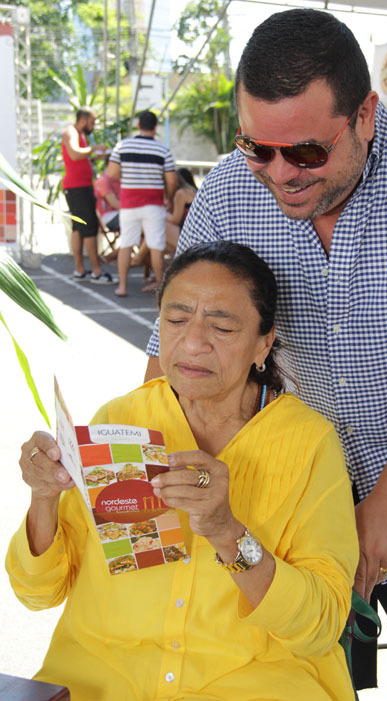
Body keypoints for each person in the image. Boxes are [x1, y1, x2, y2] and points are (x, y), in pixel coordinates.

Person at [144, 10, 387, 701]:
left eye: (307, 153)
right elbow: (173, 349)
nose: (279, 173)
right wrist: (141, 464)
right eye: (258, 148)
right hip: (280, 497)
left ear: (365, 115)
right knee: (303, 674)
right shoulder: (231, 188)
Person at [6, 242, 358, 701]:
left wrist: (228, 533)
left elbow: (321, 625)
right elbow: (36, 593)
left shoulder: (309, 443)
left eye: (223, 326)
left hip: (254, 686)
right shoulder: (120, 422)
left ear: (263, 343)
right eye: (176, 320)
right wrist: (44, 497)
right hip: (104, 681)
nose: (193, 342)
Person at [108, 110, 177, 297]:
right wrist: (169, 198)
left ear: (138, 126)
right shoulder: (163, 150)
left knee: (126, 243)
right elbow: (171, 180)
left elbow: (112, 173)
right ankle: (160, 286)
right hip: (154, 204)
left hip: (129, 203)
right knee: (156, 245)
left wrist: (129, 177)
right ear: (155, 128)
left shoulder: (123, 146)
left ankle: (122, 286)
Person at [61, 106, 114, 284]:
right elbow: (74, 154)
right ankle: (97, 272)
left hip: (79, 187)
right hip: (78, 188)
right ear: (83, 120)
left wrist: (93, 157)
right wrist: (93, 148)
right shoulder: (71, 131)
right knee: (90, 229)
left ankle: (80, 270)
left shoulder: (78, 134)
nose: (93, 126)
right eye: (92, 122)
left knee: (78, 229)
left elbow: (77, 157)